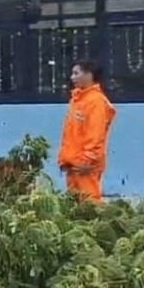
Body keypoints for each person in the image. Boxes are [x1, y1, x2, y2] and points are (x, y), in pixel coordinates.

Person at [58, 59, 116, 202]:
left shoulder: (96, 102)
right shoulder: (77, 100)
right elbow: (69, 134)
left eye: (76, 73)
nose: (72, 78)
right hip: (73, 164)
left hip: (85, 166)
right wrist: (64, 159)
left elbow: (96, 136)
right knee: (75, 206)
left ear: (89, 75)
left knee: (90, 205)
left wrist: (87, 161)